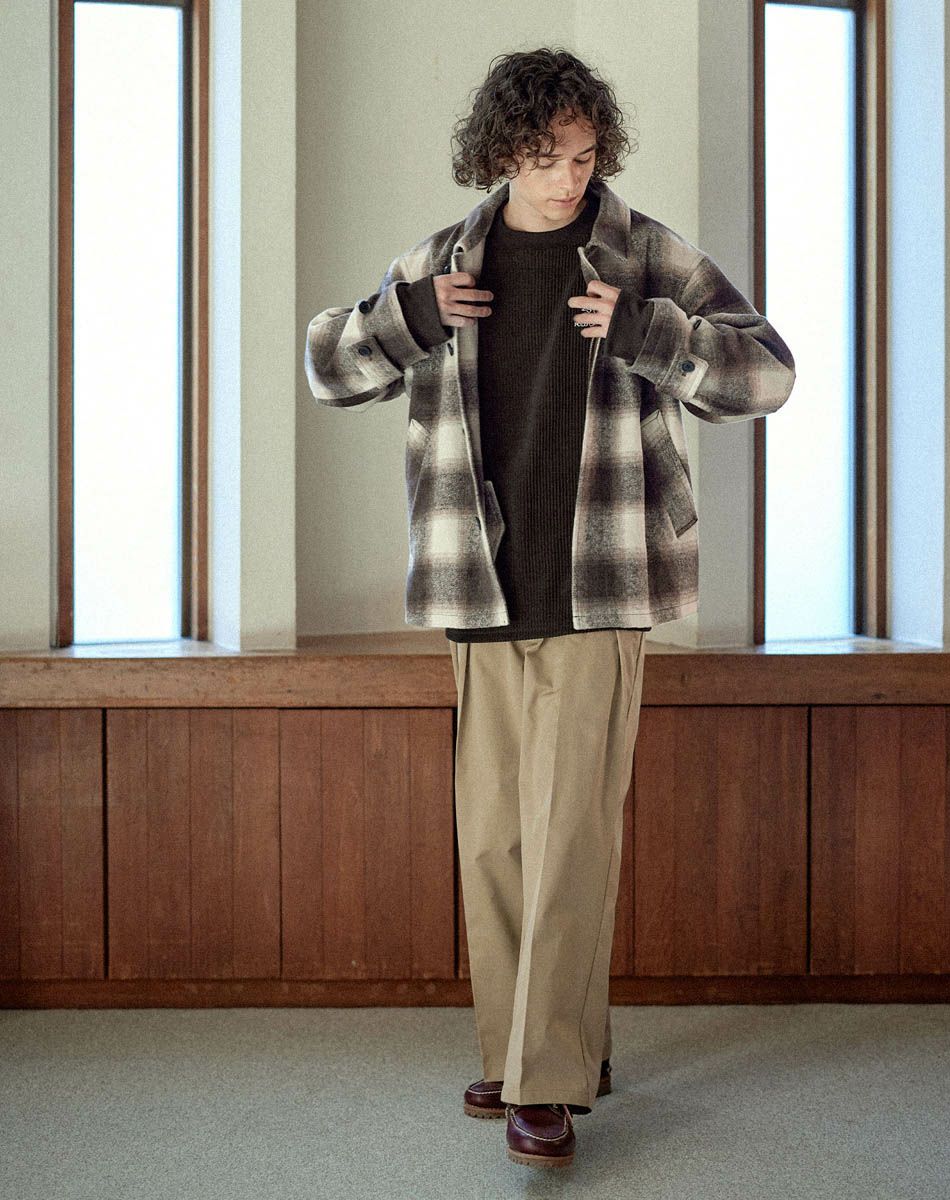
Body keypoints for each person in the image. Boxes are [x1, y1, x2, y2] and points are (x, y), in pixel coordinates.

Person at [305, 46, 795, 1171]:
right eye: (543, 157)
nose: (568, 177)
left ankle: (546, 1082)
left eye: (582, 156)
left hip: (602, 582)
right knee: (495, 841)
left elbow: (768, 373)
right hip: (478, 587)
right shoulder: (442, 262)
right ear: (500, 154)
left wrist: (649, 333)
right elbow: (329, 368)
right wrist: (408, 317)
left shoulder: (644, 253)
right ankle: (533, 1050)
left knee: (571, 836)